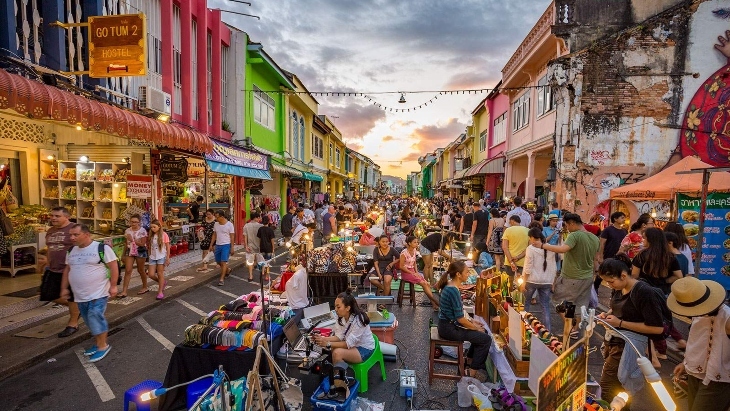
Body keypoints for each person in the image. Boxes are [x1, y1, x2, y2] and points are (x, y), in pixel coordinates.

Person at [595, 255, 666, 408]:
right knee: (618, 387)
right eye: (606, 281)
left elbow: (657, 328)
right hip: (615, 340)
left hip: (629, 345)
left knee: (608, 387)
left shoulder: (644, 292)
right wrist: (607, 314)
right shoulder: (619, 288)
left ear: (623, 275)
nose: (609, 285)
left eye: (611, 281)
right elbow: (617, 307)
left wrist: (620, 323)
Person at [668, 277, 730, 411]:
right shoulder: (698, 314)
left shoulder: (727, 319)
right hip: (694, 373)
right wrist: (685, 363)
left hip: (719, 379)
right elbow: (696, 342)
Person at [60, 224, 119, 363]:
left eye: (76, 234)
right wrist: (64, 288)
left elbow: (113, 266)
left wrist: (114, 286)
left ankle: (103, 346)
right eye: (71, 235)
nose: (72, 238)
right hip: (80, 295)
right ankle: (98, 343)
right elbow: (67, 270)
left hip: (98, 293)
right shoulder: (71, 251)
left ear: (86, 234)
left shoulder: (101, 248)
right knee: (88, 320)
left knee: (95, 317)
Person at [539, 213, 600, 338]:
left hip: (572, 277)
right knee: (580, 305)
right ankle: (575, 330)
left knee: (559, 301)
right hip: (587, 277)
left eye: (566, 225)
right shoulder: (594, 238)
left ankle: (570, 327)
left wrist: (542, 245)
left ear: (572, 223)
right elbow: (596, 259)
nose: (566, 228)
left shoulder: (575, 235)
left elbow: (563, 249)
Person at [436, 261, 492, 380]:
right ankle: (471, 373)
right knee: (486, 339)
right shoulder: (453, 290)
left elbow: (460, 314)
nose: (468, 274)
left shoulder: (450, 286)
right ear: (458, 274)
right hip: (448, 329)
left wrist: (473, 322)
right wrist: (475, 327)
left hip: (446, 325)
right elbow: (460, 319)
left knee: (483, 333)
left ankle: (470, 362)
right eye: (466, 272)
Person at [40, 207, 81, 338]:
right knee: (49, 294)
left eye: (57, 216)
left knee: (71, 297)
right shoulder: (51, 231)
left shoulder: (75, 229)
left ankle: (73, 324)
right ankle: (79, 308)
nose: (53, 218)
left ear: (66, 217)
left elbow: (84, 245)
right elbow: (49, 248)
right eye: (52, 215)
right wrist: (46, 264)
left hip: (70, 269)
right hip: (53, 269)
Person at [313, 291, 376, 366]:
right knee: (331, 348)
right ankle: (335, 373)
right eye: (335, 306)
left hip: (364, 348)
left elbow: (347, 344)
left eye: (338, 307)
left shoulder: (359, 320)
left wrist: (327, 343)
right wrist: (322, 339)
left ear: (348, 308)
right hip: (353, 345)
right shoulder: (341, 317)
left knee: (337, 353)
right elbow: (339, 337)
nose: (336, 309)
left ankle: (339, 377)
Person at [523, 227, 557, 330]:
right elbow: (554, 267)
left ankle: (524, 327)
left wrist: (523, 281)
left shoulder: (530, 249)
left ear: (532, 237)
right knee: (545, 307)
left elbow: (528, 267)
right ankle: (548, 332)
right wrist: (553, 282)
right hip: (546, 281)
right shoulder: (550, 247)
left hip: (531, 280)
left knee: (526, 305)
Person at [399, 236, 440, 309]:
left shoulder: (414, 251)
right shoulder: (404, 253)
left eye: (417, 242)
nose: (417, 244)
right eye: (414, 242)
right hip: (406, 272)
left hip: (412, 271)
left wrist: (416, 272)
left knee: (426, 284)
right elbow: (401, 266)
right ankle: (434, 303)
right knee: (424, 284)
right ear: (409, 243)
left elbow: (414, 262)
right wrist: (411, 273)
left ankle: (434, 303)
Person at [121, 214, 148, 297]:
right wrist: (123, 254)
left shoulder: (143, 231)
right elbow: (126, 243)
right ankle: (124, 291)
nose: (133, 224)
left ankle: (145, 286)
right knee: (128, 270)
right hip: (130, 251)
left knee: (140, 270)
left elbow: (143, 244)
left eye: (136, 222)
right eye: (132, 222)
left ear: (139, 222)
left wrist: (132, 240)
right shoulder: (127, 231)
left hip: (140, 251)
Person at [209, 210, 235, 286]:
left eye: (217, 217)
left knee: (223, 262)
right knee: (218, 262)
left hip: (226, 245)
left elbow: (232, 236)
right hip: (218, 245)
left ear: (222, 217)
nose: (216, 218)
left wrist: (232, 247)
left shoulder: (229, 225)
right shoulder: (216, 224)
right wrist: (211, 244)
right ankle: (228, 270)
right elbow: (214, 234)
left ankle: (221, 279)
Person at [146, 220, 170, 300]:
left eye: (154, 227)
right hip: (152, 257)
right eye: (151, 227)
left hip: (161, 256)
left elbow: (167, 246)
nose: (152, 229)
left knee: (160, 274)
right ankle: (162, 282)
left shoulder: (164, 235)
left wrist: (167, 257)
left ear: (159, 227)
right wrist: (149, 255)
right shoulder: (150, 235)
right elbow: (149, 246)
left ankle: (160, 292)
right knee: (151, 274)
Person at [242, 212, 264, 283]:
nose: (259, 219)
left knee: (250, 262)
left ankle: (251, 276)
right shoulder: (261, 226)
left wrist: (246, 246)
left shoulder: (246, 226)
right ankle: (262, 274)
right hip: (259, 246)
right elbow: (262, 237)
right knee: (261, 261)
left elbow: (245, 237)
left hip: (250, 246)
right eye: (258, 217)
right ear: (256, 218)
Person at [486, 208, 505, 273]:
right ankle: (499, 269)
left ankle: (497, 271)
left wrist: (487, 240)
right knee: (499, 255)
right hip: (501, 237)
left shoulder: (492, 220)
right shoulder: (502, 220)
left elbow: (490, 231)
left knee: (496, 257)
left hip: (494, 238)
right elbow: (503, 229)